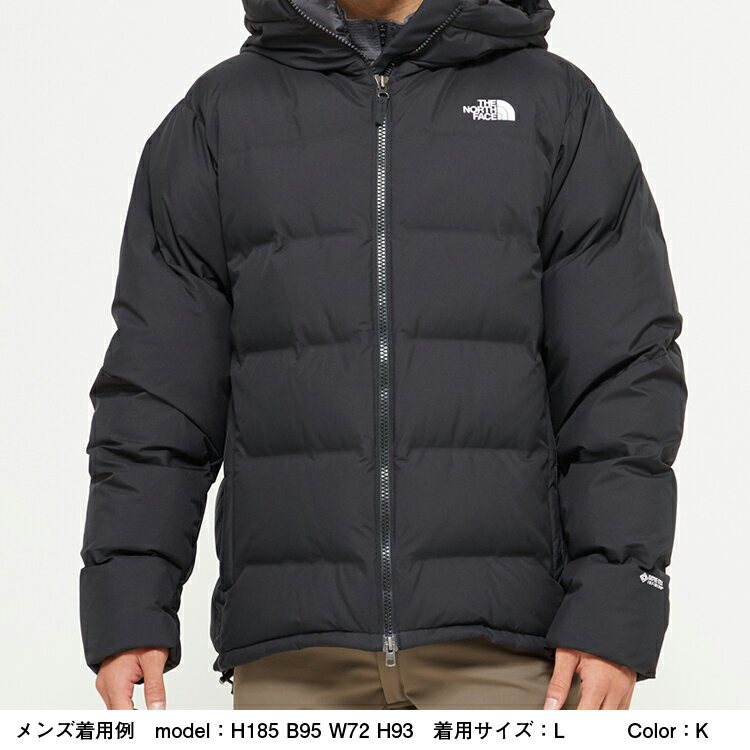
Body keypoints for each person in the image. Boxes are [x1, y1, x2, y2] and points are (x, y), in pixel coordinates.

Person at [80, 0, 687, 710]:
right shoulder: (218, 118)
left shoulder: (554, 105)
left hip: (509, 662)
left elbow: (622, 375)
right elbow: (157, 386)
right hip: (295, 660)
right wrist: (128, 603)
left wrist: (616, 604)